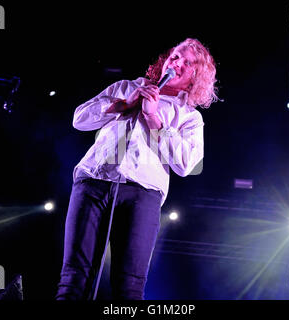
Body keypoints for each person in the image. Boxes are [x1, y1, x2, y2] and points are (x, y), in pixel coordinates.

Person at [56, 38, 219, 300]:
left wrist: (154, 118)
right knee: (74, 277)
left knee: (129, 285)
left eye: (188, 63)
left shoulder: (189, 116)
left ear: (194, 78)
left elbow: (188, 165)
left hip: (143, 195)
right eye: (175, 56)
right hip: (94, 181)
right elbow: (79, 119)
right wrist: (122, 105)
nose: (177, 63)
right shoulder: (126, 87)